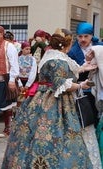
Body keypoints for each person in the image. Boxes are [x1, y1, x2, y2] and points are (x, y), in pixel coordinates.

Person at [2, 28, 97, 168]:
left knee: (30, 134)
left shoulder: (50, 56)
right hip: (55, 102)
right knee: (58, 136)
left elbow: (68, 71)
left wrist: (83, 68)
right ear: (67, 44)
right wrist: (81, 85)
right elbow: (61, 84)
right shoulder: (58, 61)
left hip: (39, 98)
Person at [68, 22, 103, 168]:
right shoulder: (72, 52)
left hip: (98, 91)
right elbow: (70, 73)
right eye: (80, 36)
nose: (82, 39)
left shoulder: (99, 49)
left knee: (96, 119)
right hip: (81, 92)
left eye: (86, 36)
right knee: (83, 121)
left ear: (91, 36)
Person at [17, 41, 37, 106]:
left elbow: (33, 71)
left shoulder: (32, 59)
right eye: (26, 49)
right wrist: (20, 85)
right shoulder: (17, 59)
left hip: (29, 81)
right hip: (19, 81)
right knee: (19, 98)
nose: (28, 51)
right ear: (22, 49)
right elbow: (15, 71)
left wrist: (28, 85)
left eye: (29, 49)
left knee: (28, 98)